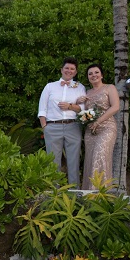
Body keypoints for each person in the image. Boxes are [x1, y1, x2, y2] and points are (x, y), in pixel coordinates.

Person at [38, 57, 87, 187]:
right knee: (53, 162)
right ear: (61, 70)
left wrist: (70, 106)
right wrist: (45, 127)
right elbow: (42, 109)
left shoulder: (79, 87)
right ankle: (54, 193)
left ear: (75, 72)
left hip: (73, 127)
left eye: (72, 69)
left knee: (74, 161)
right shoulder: (50, 87)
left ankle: (75, 193)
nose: (69, 71)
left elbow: (82, 109)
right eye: (67, 68)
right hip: (53, 127)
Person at [76, 64, 119, 190]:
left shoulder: (109, 88)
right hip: (91, 131)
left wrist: (98, 121)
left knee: (100, 155)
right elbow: (82, 111)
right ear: (88, 77)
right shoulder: (87, 93)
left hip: (107, 128)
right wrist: (78, 101)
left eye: (96, 72)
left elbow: (115, 107)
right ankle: (89, 192)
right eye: (90, 74)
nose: (93, 75)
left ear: (102, 75)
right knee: (90, 159)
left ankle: (101, 194)